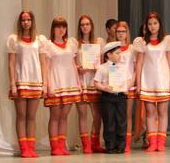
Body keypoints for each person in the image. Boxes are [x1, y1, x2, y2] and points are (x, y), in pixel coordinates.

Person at [133, 12, 170, 152]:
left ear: (159, 24)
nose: (152, 26)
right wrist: (139, 83)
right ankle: (152, 142)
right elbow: (139, 63)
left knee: (162, 112)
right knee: (150, 112)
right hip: (148, 80)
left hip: (163, 80)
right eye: (150, 24)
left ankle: (161, 142)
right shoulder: (141, 42)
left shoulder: (167, 40)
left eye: (155, 23)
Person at [6, 10, 46, 158]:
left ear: (32, 21)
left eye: (28, 20)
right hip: (21, 81)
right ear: (20, 22)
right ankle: (24, 148)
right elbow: (11, 63)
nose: (26, 23)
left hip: (35, 81)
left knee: (31, 116)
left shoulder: (39, 40)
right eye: (23, 20)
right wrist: (12, 83)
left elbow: (43, 62)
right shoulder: (14, 39)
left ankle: (31, 147)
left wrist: (44, 84)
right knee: (21, 116)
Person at [42, 16, 81, 155]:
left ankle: (62, 145)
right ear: (53, 28)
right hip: (55, 82)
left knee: (64, 116)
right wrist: (48, 86)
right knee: (55, 116)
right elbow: (46, 67)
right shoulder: (48, 45)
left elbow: (73, 64)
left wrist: (78, 83)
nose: (61, 29)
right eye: (58, 26)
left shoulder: (71, 44)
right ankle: (54, 147)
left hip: (69, 83)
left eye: (64, 27)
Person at [76, 15, 105, 153]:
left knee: (97, 115)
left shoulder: (98, 42)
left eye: (87, 24)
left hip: (94, 81)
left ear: (91, 26)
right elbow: (73, 62)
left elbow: (103, 63)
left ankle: (95, 143)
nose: (85, 27)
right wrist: (78, 68)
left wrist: (97, 68)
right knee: (82, 115)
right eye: (82, 25)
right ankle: (86, 145)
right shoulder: (75, 43)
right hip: (82, 82)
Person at [94, 41, 129, 154]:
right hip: (107, 97)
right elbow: (96, 83)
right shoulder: (102, 68)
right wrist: (104, 88)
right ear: (109, 55)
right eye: (117, 53)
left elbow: (128, 80)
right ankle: (110, 145)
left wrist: (125, 87)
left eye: (120, 53)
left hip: (120, 96)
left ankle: (121, 145)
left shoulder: (123, 67)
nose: (120, 55)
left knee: (121, 121)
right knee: (109, 120)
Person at [115, 21, 137, 152]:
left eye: (123, 31)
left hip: (128, 85)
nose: (121, 34)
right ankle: (117, 141)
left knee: (127, 115)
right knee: (116, 115)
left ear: (127, 33)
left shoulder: (132, 48)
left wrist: (132, 82)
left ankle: (127, 143)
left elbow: (135, 67)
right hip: (115, 85)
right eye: (118, 31)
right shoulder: (112, 47)